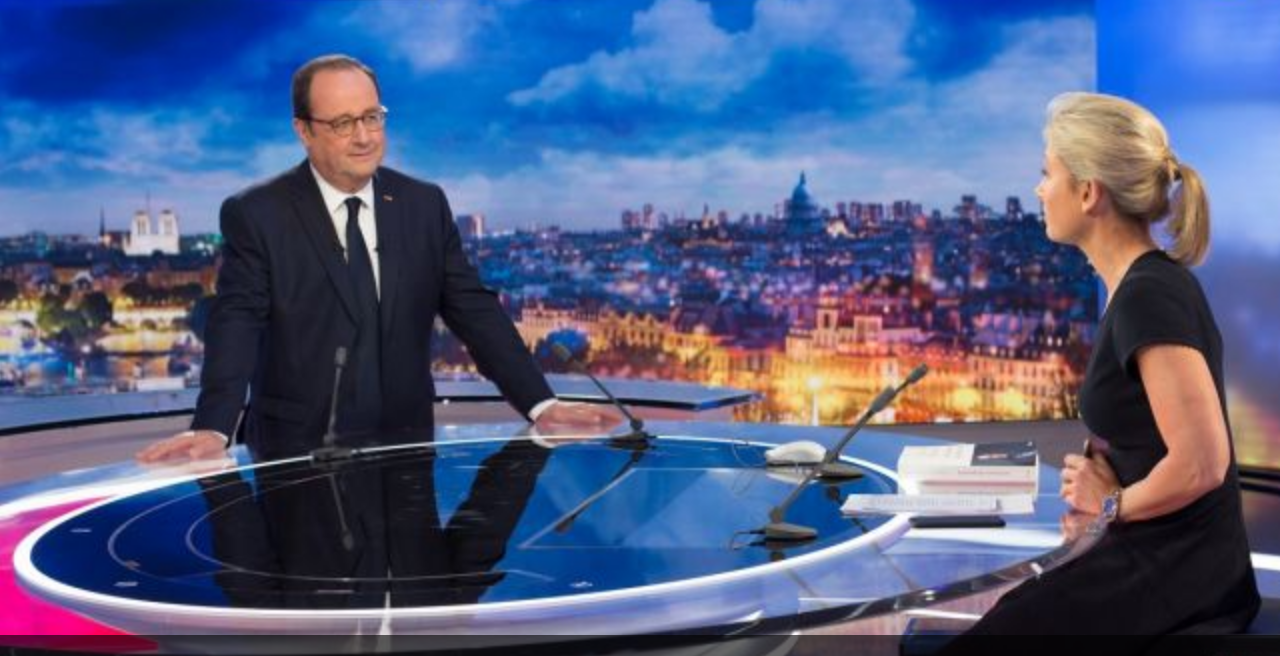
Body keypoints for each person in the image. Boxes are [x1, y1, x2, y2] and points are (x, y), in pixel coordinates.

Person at [138, 54, 618, 463]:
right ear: (303, 131)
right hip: (295, 456)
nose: (365, 136)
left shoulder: (423, 204)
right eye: (343, 123)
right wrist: (214, 427)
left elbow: (473, 310)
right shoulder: (257, 212)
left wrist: (541, 404)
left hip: (405, 448)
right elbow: (237, 321)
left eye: (373, 117)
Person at [948, 92, 1260, 641]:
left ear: (1089, 193)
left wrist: (1110, 506)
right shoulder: (1141, 286)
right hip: (1157, 553)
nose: (1039, 190)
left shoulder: (1149, 295)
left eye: (1048, 174)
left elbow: (1201, 465)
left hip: (1177, 573)